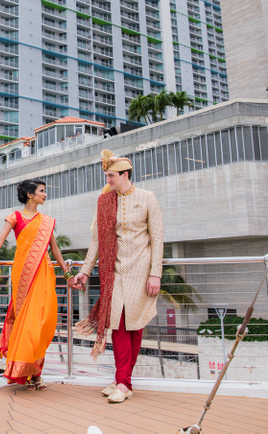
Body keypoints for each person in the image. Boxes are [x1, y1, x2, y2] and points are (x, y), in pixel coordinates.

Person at [72, 150, 164, 404]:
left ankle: (123, 380)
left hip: (141, 271)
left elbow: (157, 238)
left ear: (125, 174)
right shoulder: (104, 201)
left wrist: (155, 273)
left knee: (134, 326)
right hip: (113, 272)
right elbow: (97, 240)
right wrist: (85, 270)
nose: (108, 180)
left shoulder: (147, 198)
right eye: (107, 175)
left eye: (111, 175)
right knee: (120, 325)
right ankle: (123, 381)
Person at [0, 179, 74, 390]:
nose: (45, 195)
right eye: (42, 191)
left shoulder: (46, 221)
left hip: (44, 273)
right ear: (30, 194)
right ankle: (31, 375)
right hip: (23, 274)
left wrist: (67, 273)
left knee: (43, 322)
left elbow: (54, 249)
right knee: (26, 323)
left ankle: (35, 370)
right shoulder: (15, 217)